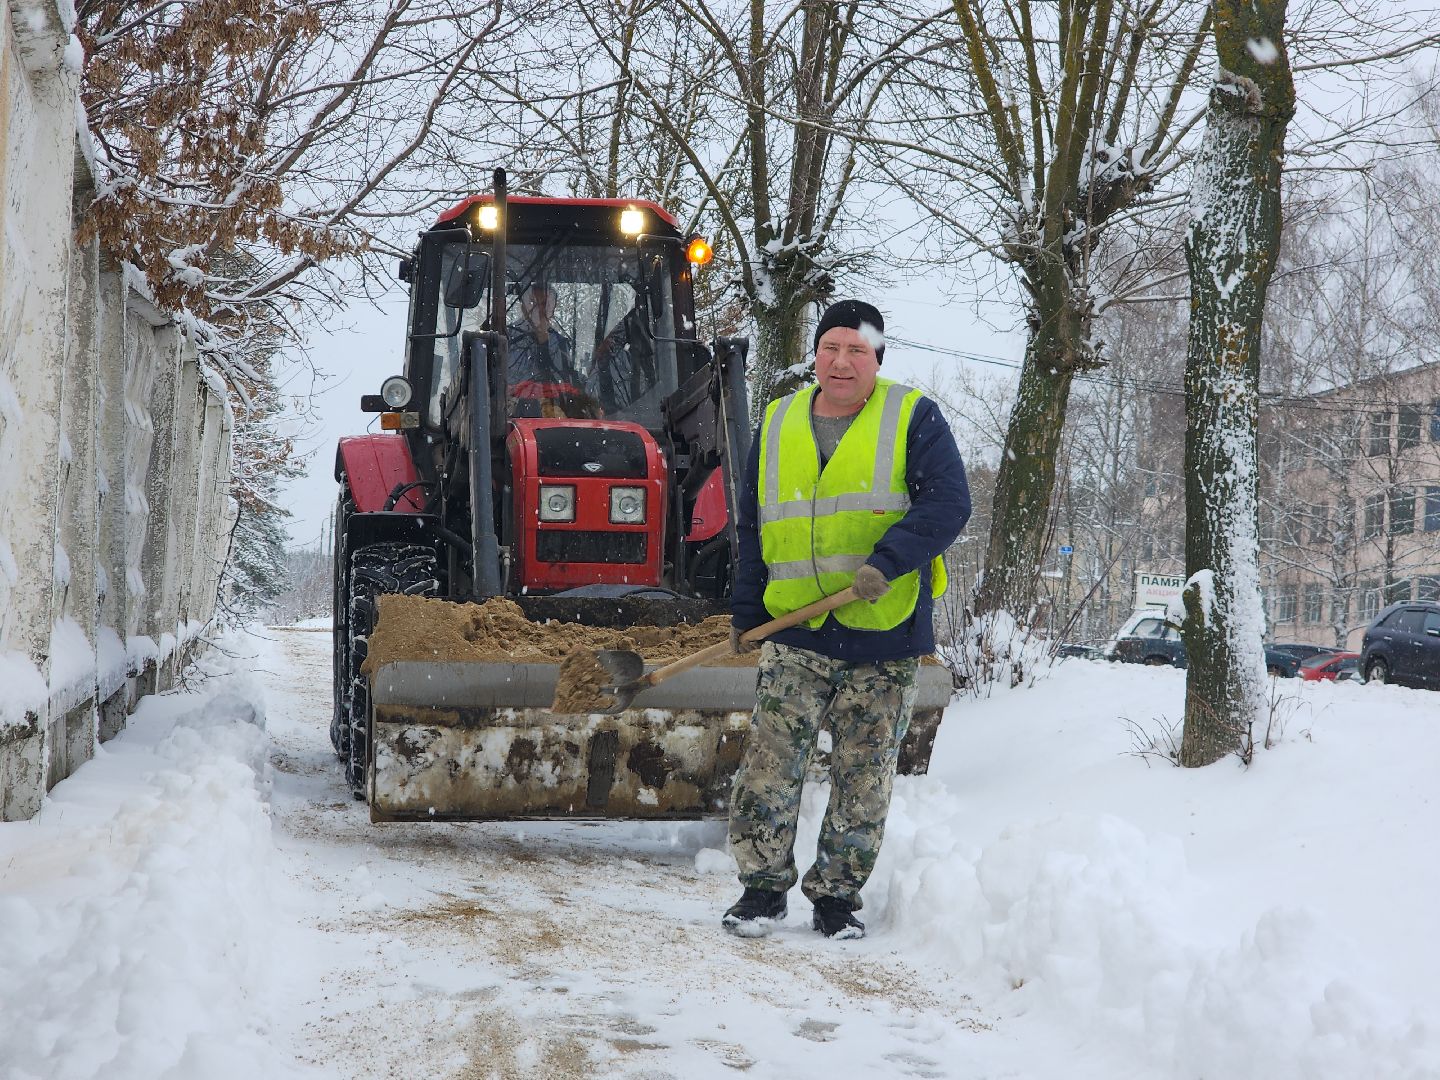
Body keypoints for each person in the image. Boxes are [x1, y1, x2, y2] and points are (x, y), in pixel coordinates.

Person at [722, 299, 971, 941]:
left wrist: (888, 560)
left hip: (882, 631)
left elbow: (949, 504)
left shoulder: (912, 416)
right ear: (814, 354)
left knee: (863, 774)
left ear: (878, 357)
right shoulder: (777, 421)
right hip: (795, 632)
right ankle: (761, 889)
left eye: (857, 350)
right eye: (831, 347)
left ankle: (836, 897)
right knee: (771, 764)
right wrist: (748, 610)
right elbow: (755, 525)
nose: (842, 361)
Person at [506, 283, 597, 418]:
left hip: (557, 417)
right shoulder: (506, 339)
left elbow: (571, 383)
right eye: (533, 303)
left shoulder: (562, 344)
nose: (538, 309)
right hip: (512, 419)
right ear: (523, 306)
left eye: (543, 304)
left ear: (552, 308)